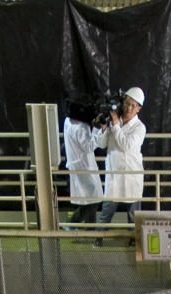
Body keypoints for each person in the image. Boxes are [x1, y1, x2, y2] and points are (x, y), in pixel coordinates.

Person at [96, 87, 146, 237]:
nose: (129, 108)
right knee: (106, 212)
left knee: (133, 214)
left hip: (132, 175)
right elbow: (101, 144)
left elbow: (126, 145)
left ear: (139, 109)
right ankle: (98, 238)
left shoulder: (140, 127)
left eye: (133, 105)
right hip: (114, 174)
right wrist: (104, 128)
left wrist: (116, 125)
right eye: (127, 103)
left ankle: (133, 240)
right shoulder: (114, 121)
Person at [62, 101, 103, 225]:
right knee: (94, 199)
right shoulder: (81, 128)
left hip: (76, 165)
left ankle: (91, 228)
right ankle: (74, 222)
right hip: (85, 167)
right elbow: (89, 147)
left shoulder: (67, 122)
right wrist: (96, 129)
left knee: (88, 199)